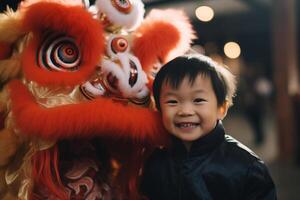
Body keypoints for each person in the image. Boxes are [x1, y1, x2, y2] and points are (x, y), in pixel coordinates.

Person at [140, 54, 276, 200]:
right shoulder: (155, 162)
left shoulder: (247, 167)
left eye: (198, 100)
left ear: (221, 108)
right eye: (172, 101)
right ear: (159, 109)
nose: (185, 111)